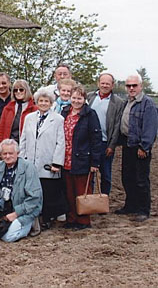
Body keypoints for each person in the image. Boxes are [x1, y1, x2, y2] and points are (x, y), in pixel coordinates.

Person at [0, 139, 42, 242]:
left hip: (24, 208)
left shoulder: (28, 168)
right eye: (4, 153)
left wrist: (16, 214)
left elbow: (35, 199)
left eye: (10, 153)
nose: (7, 156)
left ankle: (31, 223)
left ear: (17, 153)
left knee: (7, 238)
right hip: (6, 203)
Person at [19, 87, 65, 233]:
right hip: (30, 160)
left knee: (48, 191)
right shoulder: (29, 118)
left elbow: (61, 142)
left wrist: (57, 162)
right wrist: (21, 158)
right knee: (33, 190)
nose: (43, 103)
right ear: (36, 102)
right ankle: (35, 217)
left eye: (46, 101)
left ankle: (48, 218)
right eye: (41, 101)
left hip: (48, 161)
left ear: (51, 103)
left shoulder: (58, 119)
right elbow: (23, 139)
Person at [60, 85, 104, 230]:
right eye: (74, 97)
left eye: (79, 98)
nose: (76, 101)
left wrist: (95, 162)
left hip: (82, 159)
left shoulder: (90, 114)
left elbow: (96, 139)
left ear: (84, 99)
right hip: (66, 158)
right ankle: (71, 218)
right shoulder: (65, 112)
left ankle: (83, 220)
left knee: (82, 192)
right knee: (69, 191)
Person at [117, 73, 158, 222]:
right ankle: (131, 205)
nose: (132, 88)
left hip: (140, 146)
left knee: (141, 179)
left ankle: (143, 209)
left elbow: (150, 127)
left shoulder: (147, 104)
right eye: (129, 85)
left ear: (141, 86)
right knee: (127, 177)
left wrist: (144, 147)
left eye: (134, 85)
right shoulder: (126, 102)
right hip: (128, 144)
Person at [87, 73, 125, 194]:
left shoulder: (118, 102)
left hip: (105, 143)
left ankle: (104, 200)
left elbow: (117, 125)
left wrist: (111, 145)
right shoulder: (89, 97)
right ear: (98, 83)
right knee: (89, 173)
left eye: (107, 83)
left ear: (112, 85)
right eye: (102, 83)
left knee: (106, 174)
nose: (104, 85)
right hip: (88, 142)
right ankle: (88, 200)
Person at [0, 80, 37, 153]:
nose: (18, 92)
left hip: (27, 149)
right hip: (10, 149)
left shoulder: (34, 109)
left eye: (21, 89)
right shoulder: (7, 108)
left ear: (27, 91)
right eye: (15, 90)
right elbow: (0, 131)